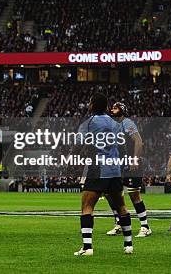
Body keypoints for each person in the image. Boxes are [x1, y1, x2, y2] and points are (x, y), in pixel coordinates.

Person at [74, 93, 133, 256]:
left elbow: (77, 146)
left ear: (92, 105)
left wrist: (76, 157)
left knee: (87, 207)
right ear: (106, 106)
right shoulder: (115, 123)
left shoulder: (88, 123)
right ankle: (128, 244)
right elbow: (123, 147)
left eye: (90, 102)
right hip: (114, 170)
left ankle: (87, 247)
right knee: (121, 206)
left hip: (97, 169)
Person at [105, 102, 151, 238]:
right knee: (110, 193)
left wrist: (134, 159)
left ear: (122, 110)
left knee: (133, 194)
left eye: (115, 108)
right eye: (112, 108)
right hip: (118, 164)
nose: (112, 110)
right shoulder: (113, 126)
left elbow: (138, 141)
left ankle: (145, 226)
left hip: (130, 163)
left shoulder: (127, 123)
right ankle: (119, 223)